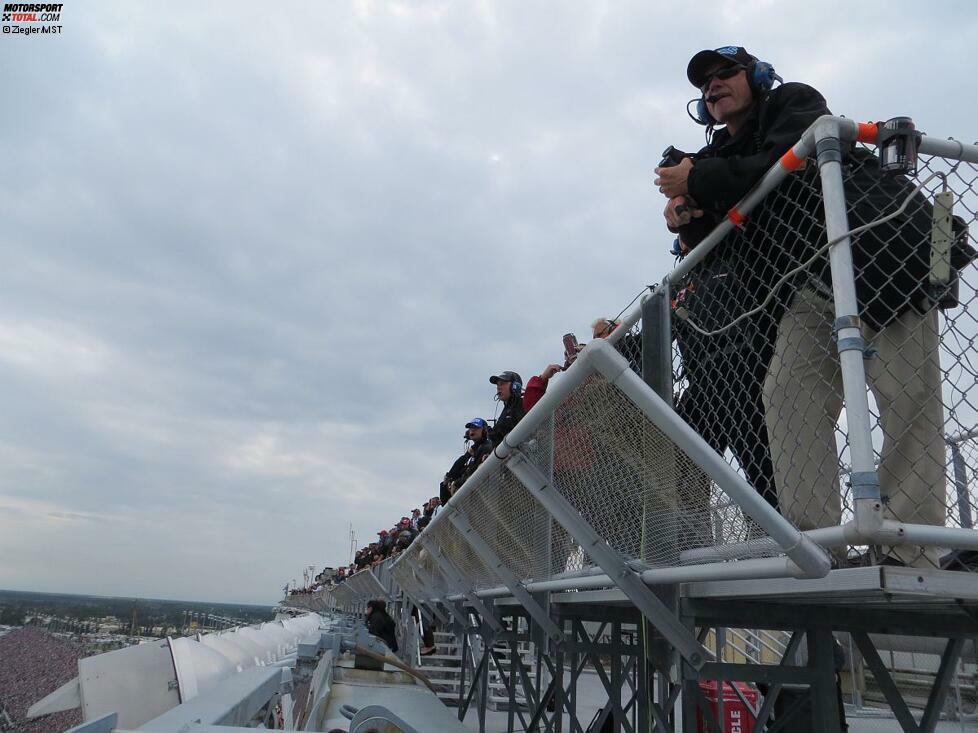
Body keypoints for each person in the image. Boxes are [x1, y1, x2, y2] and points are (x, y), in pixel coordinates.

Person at [659, 45, 961, 566]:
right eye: (704, 83)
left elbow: (780, 164)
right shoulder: (719, 156)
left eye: (724, 73)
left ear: (756, 75)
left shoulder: (792, 102)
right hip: (811, 281)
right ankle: (811, 544)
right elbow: (718, 209)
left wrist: (695, 184)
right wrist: (686, 208)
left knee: (906, 392)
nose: (712, 86)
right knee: (786, 395)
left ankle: (910, 548)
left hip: (882, 253)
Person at [489, 371, 526, 444]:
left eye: (502, 384)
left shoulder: (523, 404)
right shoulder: (507, 409)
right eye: (497, 385)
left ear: (515, 386)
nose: (498, 388)